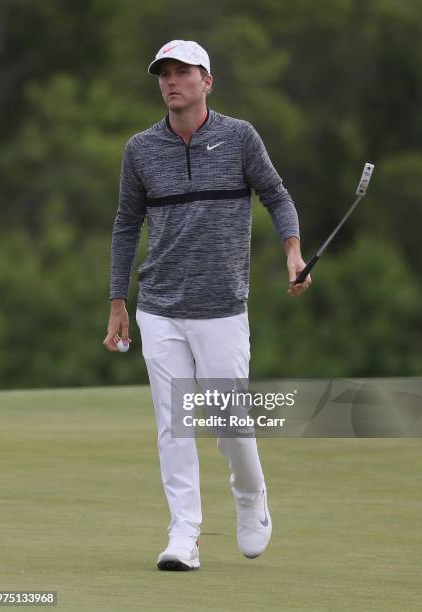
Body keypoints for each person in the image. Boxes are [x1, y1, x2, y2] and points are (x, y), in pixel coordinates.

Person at [103, 40, 311, 571]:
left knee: (229, 421)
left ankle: (250, 494)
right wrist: (117, 300)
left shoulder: (239, 137)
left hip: (222, 307)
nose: (172, 81)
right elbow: (127, 224)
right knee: (174, 425)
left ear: (207, 81)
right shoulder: (140, 149)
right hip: (159, 307)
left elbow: (276, 194)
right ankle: (184, 535)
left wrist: (292, 251)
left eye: (183, 72)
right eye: (164, 73)